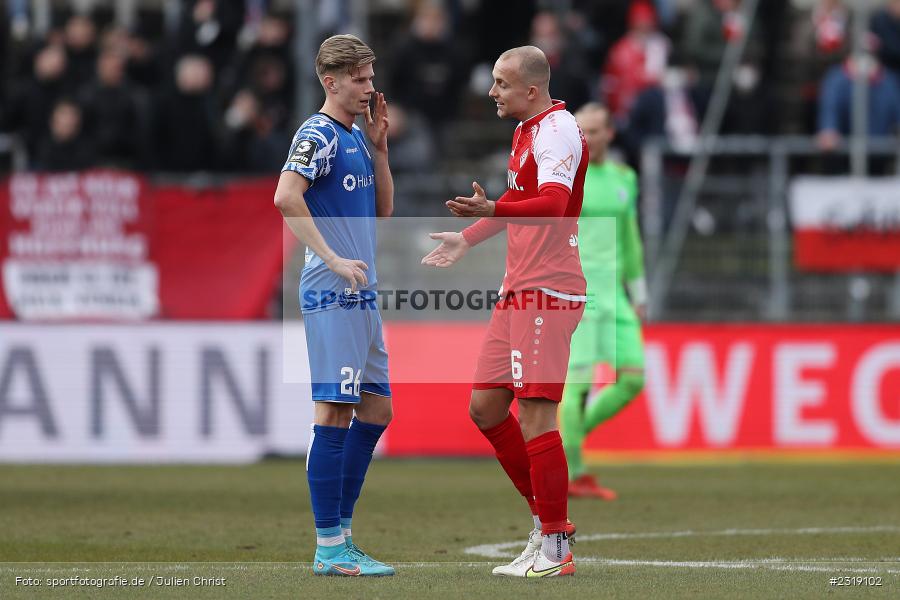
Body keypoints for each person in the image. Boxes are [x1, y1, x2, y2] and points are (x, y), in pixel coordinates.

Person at [422, 46, 587, 578]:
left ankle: (556, 546)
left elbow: (555, 205)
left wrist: (494, 207)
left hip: (549, 290)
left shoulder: (557, 128)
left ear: (531, 90)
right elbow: (519, 201)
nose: (491, 91)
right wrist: (470, 237)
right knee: (486, 408)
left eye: (500, 82)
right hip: (517, 289)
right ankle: (544, 523)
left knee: (535, 415)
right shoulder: (525, 130)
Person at [273, 34, 395, 577]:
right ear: (332, 81)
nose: (370, 88)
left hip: (360, 290)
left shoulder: (356, 137)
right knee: (334, 410)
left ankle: (341, 537)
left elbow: (383, 214)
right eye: (362, 79)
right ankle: (330, 546)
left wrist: (382, 148)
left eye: (371, 77)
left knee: (376, 409)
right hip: (333, 286)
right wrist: (332, 256)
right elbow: (285, 196)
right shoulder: (317, 134)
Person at [559, 103, 647, 500]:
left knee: (632, 378)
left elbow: (630, 236)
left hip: (615, 294)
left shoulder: (625, 178)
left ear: (609, 133)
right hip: (580, 292)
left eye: (594, 131)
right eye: (581, 131)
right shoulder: (563, 177)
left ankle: (566, 443)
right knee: (576, 385)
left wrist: (639, 290)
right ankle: (574, 471)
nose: (587, 138)